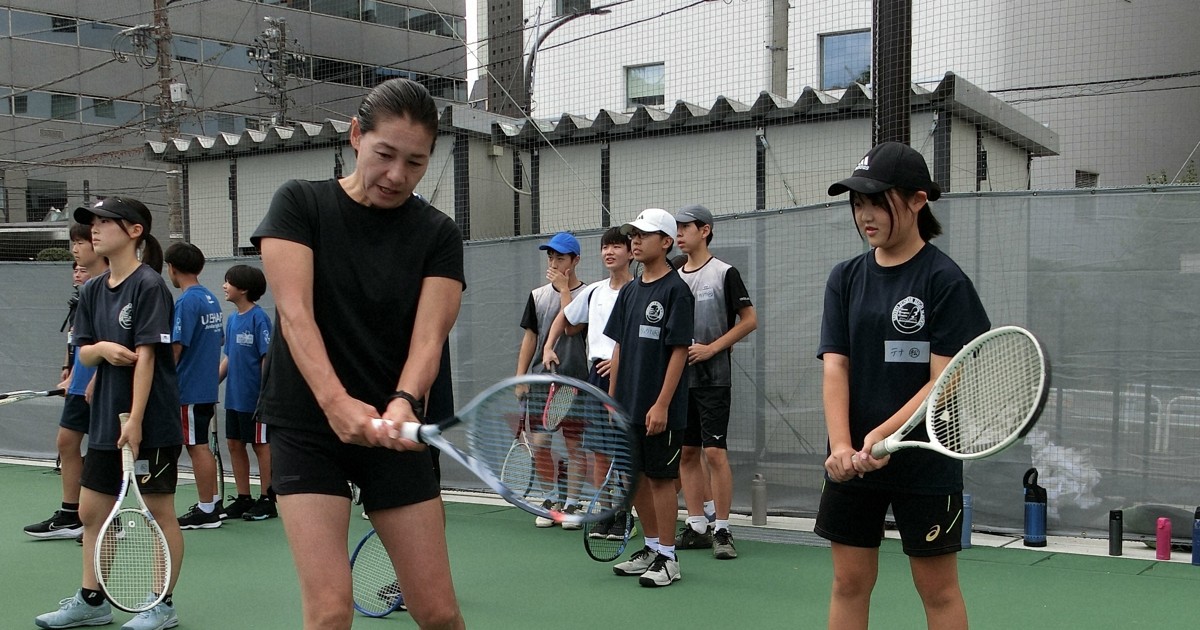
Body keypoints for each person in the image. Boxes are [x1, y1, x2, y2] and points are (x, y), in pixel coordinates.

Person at [251, 77, 465, 630]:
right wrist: (336, 403)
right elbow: (295, 314)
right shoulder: (299, 203)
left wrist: (403, 400)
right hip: (307, 426)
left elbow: (429, 337)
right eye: (385, 154)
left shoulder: (438, 233)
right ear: (355, 136)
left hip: (395, 433)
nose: (397, 175)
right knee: (329, 613)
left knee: (438, 613)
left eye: (415, 163)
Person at [816, 142, 990, 630]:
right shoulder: (845, 278)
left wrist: (883, 435)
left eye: (877, 201)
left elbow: (945, 382)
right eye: (857, 203)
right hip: (852, 464)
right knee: (848, 583)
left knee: (937, 591)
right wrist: (844, 446)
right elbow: (836, 367)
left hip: (927, 460)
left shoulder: (945, 280)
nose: (865, 215)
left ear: (918, 201)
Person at [36, 196, 185, 630]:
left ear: (134, 231)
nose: (94, 230)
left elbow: (148, 358)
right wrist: (99, 349)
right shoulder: (93, 290)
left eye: (104, 223)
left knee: (159, 513)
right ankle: (92, 599)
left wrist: (136, 420)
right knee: (91, 513)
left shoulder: (149, 286)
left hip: (149, 423)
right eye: (92, 223)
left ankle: (162, 604)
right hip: (104, 421)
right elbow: (84, 354)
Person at [605, 208, 694, 588]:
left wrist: (661, 404)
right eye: (633, 235)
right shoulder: (628, 291)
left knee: (660, 479)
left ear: (666, 242)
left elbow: (678, 351)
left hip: (662, 409)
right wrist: (611, 400)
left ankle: (669, 558)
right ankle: (652, 547)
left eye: (644, 234)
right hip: (627, 404)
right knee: (634, 478)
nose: (635, 241)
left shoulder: (677, 291)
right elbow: (619, 347)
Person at [671, 204, 758, 560]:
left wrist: (713, 349)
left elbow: (749, 320)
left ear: (704, 230)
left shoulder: (725, 272)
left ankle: (723, 529)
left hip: (714, 379)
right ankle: (696, 526)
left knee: (714, 452)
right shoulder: (672, 274)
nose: (678, 234)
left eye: (684, 227)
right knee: (687, 452)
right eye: (675, 228)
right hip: (678, 381)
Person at [542, 226, 634, 541]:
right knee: (598, 451)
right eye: (605, 247)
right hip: (596, 376)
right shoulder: (594, 291)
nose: (609, 252)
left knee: (624, 451)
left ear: (631, 252)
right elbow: (565, 319)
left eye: (616, 247)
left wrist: (622, 364)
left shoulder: (638, 291)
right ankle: (605, 513)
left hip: (628, 378)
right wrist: (548, 346)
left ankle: (625, 515)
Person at [25, 225, 107, 541]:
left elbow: (116, 341)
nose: (75, 249)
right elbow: (79, 340)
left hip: (101, 388)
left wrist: (97, 379)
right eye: (73, 243)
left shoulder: (111, 288)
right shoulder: (84, 293)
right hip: (79, 383)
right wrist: (70, 370)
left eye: (81, 242)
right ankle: (71, 514)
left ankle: (104, 519)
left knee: (102, 454)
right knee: (66, 443)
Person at [514, 231, 590, 529]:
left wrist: (563, 291)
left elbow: (573, 328)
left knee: (574, 446)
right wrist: (521, 379)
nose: (554, 262)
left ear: (575, 261)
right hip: (541, 383)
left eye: (560, 257)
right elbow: (530, 339)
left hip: (576, 383)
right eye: (551, 257)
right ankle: (551, 497)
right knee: (541, 443)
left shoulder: (589, 295)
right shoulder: (536, 296)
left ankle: (572, 502)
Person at [164, 242, 225, 530]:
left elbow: (176, 347)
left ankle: (206, 510)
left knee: (196, 445)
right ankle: (212, 503)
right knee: (200, 444)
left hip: (188, 387)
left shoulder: (187, 302)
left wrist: (161, 378)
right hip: (205, 386)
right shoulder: (211, 299)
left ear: (172, 268)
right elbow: (219, 340)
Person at [217, 264, 275, 521]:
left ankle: (267, 499)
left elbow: (266, 359)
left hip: (256, 399)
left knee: (261, 445)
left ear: (244, 289)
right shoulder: (232, 320)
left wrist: (264, 394)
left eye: (228, 282)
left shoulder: (259, 318)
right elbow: (229, 358)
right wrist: (212, 382)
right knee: (234, 444)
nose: (224, 287)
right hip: (234, 398)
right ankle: (243, 498)